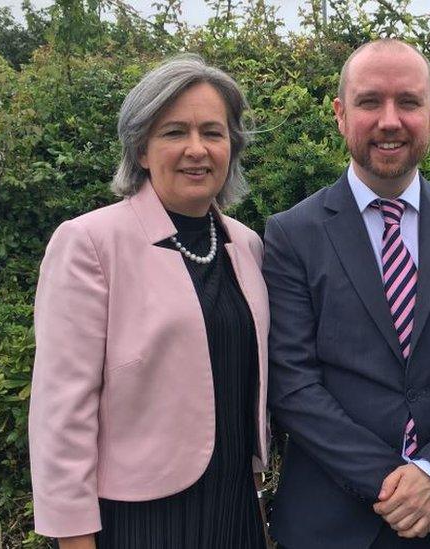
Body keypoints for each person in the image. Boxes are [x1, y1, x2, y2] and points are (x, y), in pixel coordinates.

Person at [262, 39, 430, 549]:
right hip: (332, 523)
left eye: (408, 102)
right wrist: (395, 485)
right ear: (340, 114)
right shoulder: (293, 233)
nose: (390, 121)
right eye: (369, 102)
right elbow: (292, 383)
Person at [28, 55, 270, 548]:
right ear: (140, 149)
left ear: (233, 147)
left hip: (234, 505)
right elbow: (61, 409)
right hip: (139, 519)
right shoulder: (90, 243)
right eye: (174, 132)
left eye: (213, 132)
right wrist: (73, 536)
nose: (197, 150)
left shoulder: (246, 246)